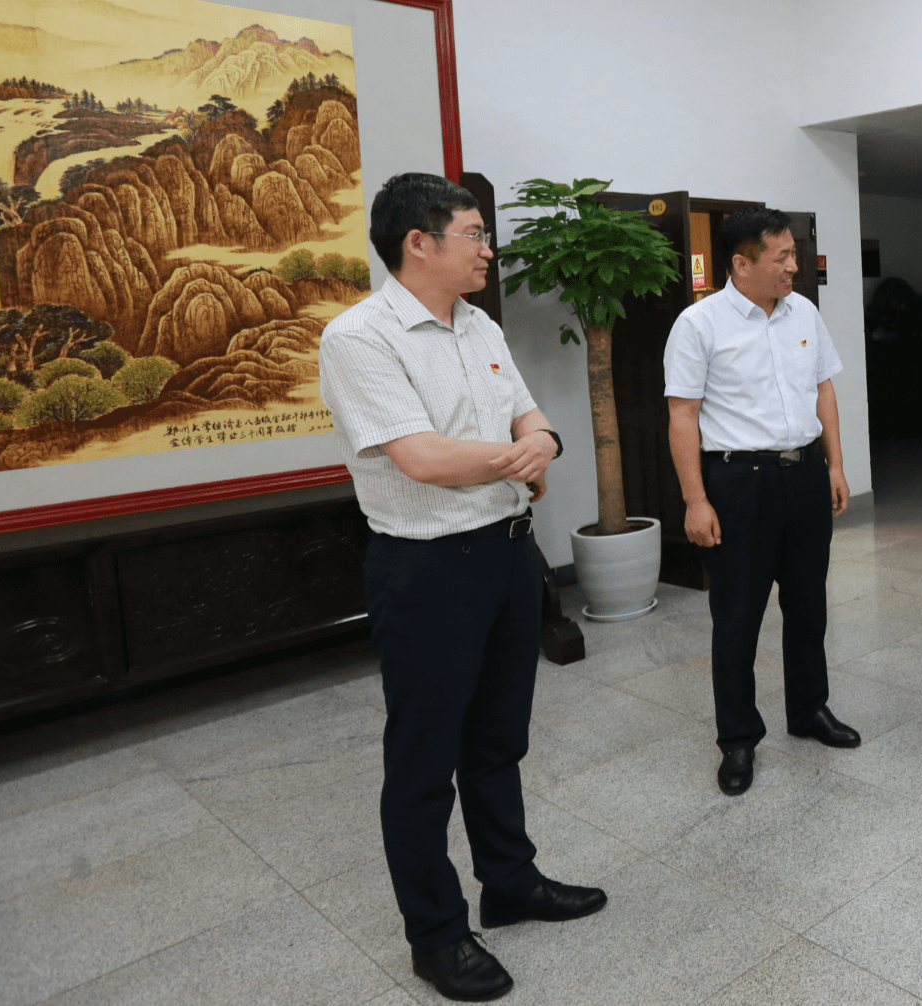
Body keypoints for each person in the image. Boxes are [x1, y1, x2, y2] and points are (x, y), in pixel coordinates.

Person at [318, 173, 606, 1002]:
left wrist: (541, 442)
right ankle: (437, 934)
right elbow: (420, 457)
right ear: (419, 242)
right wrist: (526, 455)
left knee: (497, 739)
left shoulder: (479, 323)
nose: (488, 248)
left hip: (509, 554)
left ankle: (509, 883)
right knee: (423, 760)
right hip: (427, 568)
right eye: (475, 233)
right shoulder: (359, 337)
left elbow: (531, 416)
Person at [664, 208, 860, 796]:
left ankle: (809, 709)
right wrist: (695, 501)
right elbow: (683, 415)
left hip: (804, 476)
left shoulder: (804, 313)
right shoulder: (699, 324)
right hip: (738, 482)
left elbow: (823, 389)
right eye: (782, 257)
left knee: (808, 605)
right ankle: (738, 738)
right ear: (741, 263)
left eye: (794, 254)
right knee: (738, 616)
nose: (794, 266)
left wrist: (836, 465)